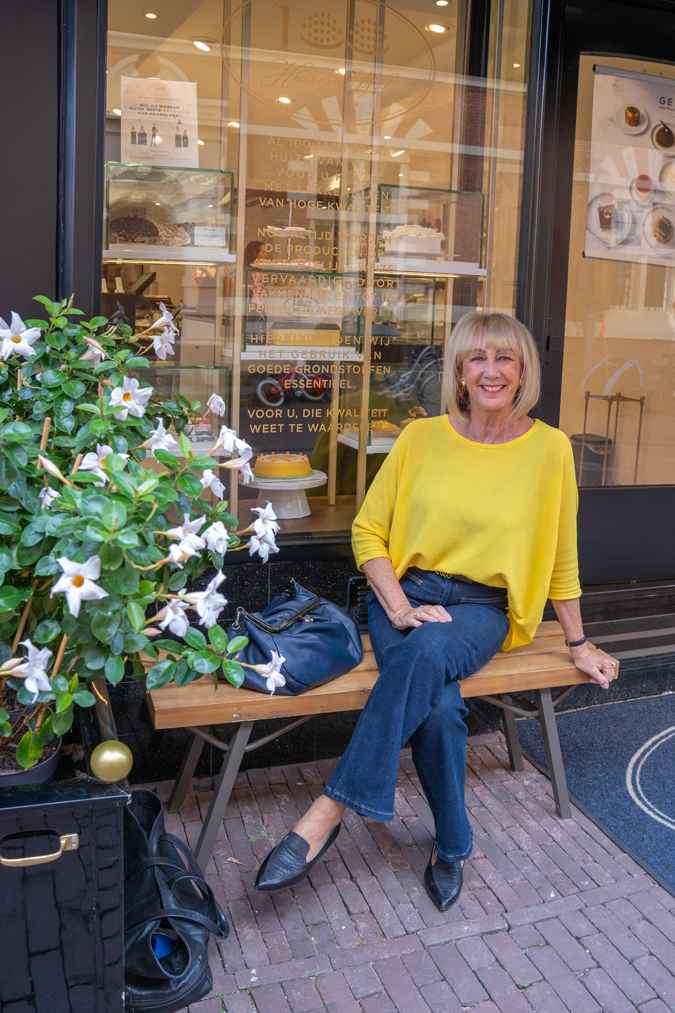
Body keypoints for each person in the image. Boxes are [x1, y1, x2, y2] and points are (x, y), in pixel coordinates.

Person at [254, 312, 615, 910]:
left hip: (481, 609)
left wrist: (578, 642)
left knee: (427, 657)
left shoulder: (550, 449)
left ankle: (326, 812)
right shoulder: (421, 438)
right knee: (441, 706)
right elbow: (369, 533)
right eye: (478, 358)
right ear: (459, 371)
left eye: (505, 358)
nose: (491, 371)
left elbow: (561, 557)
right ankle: (452, 842)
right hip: (405, 595)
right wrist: (397, 607)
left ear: (523, 370)